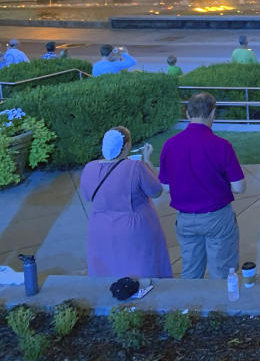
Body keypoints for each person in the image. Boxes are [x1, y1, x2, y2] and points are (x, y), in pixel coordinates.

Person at [158, 92, 246, 279]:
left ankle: (190, 307)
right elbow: (239, 187)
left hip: (185, 219)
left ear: (188, 114)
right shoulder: (222, 146)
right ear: (213, 113)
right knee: (222, 272)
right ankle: (221, 308)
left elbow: (165, 187)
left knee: (190, 272)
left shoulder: (170, 145)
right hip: (217, 218)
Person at [80, 127, 172, 278]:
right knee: (141, 270)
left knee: (107, 271)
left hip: (99, 229)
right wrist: (147, 160)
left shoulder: (89, 168)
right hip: (134, 228)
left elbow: (87, 195)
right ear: (127, 145)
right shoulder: (135, 167)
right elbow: (156, 191)